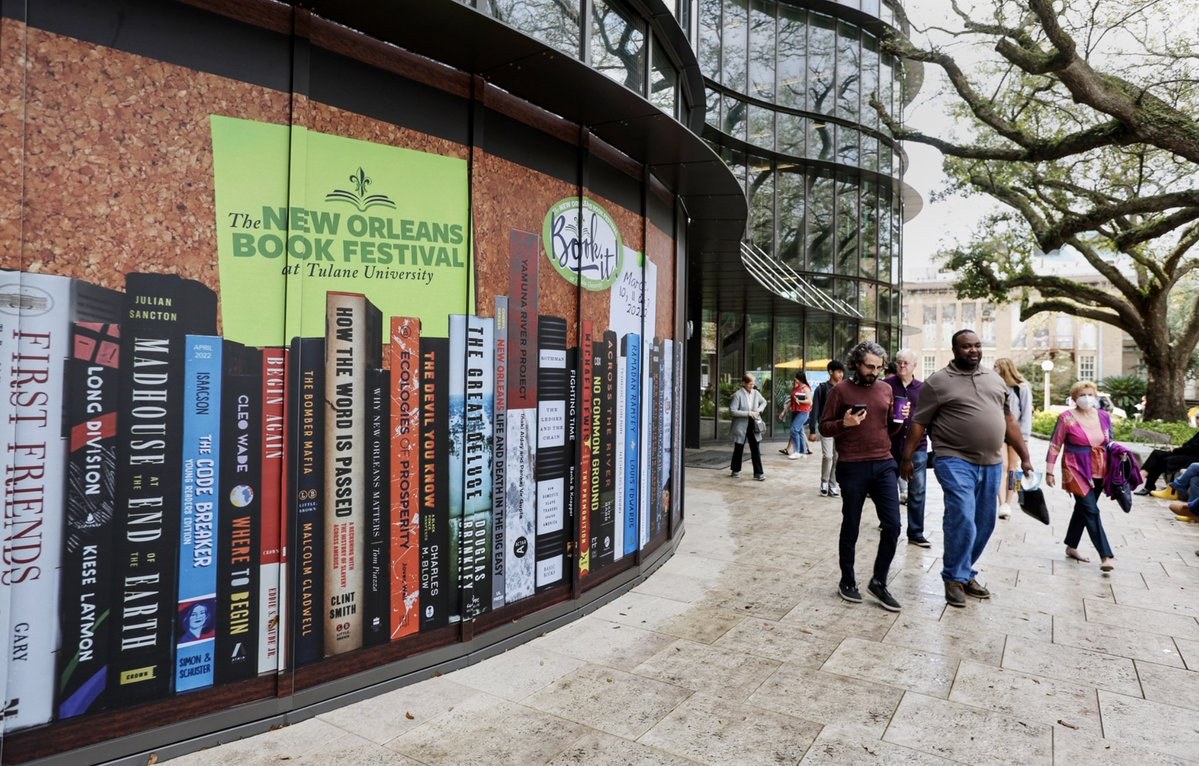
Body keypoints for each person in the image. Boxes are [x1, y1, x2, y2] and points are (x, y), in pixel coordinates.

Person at [900, 330, 1032, 608]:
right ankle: (953, 577)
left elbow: (1010, 422)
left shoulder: (995, 380)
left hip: (992, 462)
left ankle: (964, 571)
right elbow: (918, 424)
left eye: (977, 346)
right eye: (966, 347)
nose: (973, 351)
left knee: (985, 521)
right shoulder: (938, 382)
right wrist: (907, 458)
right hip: (953, 458)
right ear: (954, 349)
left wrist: (1026, 457)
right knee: (961, 513)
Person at [820, 341, 903, 612]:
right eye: (870, 366)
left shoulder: (886, 389)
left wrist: (900, 420)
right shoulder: (840, 391)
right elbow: (824, 427)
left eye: (879, 367)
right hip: (853, 466)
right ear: (856, 363)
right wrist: (844, 424)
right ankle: (848, 580)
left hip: (884, 464)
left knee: (893, 525)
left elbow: (886, 427)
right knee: (852, 524)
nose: (875, 372)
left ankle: (879, 581)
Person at [1046, 380, 1117, 571]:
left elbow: (1111, 442)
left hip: (1100, 469)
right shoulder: (1066, 418)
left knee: (1083, 510)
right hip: (1075, 468)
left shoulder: (1103, 416)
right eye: (1082, 395)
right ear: (1075, 398)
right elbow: (1055, 444)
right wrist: (1049, 470)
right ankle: (1106, 556)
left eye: (1090, 394)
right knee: (1091, 510)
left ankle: (1071, 546)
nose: (1086, 398)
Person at [887, 349, 930, 547]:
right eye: (899, 362)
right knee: (886, 490)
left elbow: (930, 418)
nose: (902, 366)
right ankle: (889, 525)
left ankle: (915, 532)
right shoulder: (885, 386)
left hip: (917, 448)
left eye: (906, 363)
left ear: (914, 365)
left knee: (917, 491)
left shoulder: (923, 389)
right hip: (890, 446)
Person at [994, 358, 1033, 519]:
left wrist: (1024, 438)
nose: (994, 369)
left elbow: (1026, 414)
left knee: (1012, 469)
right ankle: (1001, 503)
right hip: (998, 432)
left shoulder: (1021, 388)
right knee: (1000, 466)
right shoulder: (995, 387)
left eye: (996, 366)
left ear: (1004, 368)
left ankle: (1008, 503)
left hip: (1016, 433)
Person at [809, 360, 846, 497]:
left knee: (837, 457)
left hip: (841, 427)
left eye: (842, 372)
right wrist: (813, 430)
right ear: (831, 372)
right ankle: (824, 482)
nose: (841, 375)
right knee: (828, 456)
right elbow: (815, 410)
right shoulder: (822, 388)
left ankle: (833, 484)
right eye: (838, 371)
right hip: (826, 427)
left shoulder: (844, 388)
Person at [729, 373, 767, 481]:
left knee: (755, 448)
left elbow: (764, 402)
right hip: (741, 426)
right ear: (744, 383)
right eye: (750, 384)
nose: (752, 386)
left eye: (753, 384)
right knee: (739, 448)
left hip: (753, 424)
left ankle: (759, 473)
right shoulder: (738, 395)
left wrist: (758, 410)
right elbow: (732, 411)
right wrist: (747, 413)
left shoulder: (756, 393)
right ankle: (735, 470)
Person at [1137, 431, 1199, 495]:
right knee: (1156, 453)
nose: (1197, 421)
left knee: (1162, 460)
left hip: (1193, 459)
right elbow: (1188, 445)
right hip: (1185, 454)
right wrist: (1177, 449)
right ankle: (1143, 474)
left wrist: (1175, 450)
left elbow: (1194, 448)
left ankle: (1147, 485)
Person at [778, 371, 812, 459]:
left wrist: (799, 401)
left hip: (803, 412)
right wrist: (784, 412)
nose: (794, 380)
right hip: (795, 411)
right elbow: (791, 401)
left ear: (800, 379)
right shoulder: (797, 387)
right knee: (799, 431)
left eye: (796, 378)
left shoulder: (806, 388)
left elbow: (810, 401)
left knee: (794, 429)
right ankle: (803, 451)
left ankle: (796, 451)